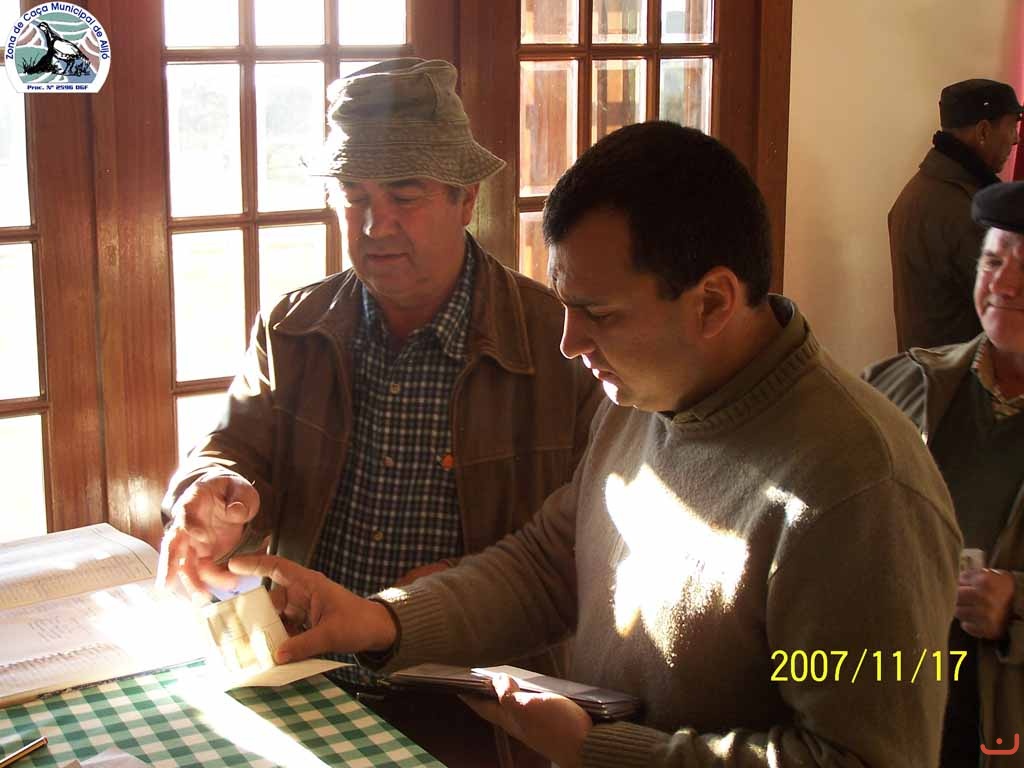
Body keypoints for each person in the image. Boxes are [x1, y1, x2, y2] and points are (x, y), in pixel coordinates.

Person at [229, 122, 962, 767]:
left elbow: (859, 759)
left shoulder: (862, 490)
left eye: (598, 314)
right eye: (564, 303)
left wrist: (594, 750)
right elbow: (551, 562)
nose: (569, 342)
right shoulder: (649, 395)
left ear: (712, 301)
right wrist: (383, 618)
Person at [157, 58, 601, 768]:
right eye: (353, 195)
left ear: (465, 198)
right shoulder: (293, 327)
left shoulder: (563, 345)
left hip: (482, 700)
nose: (375, 224)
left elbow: (595, 545)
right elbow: (231, 448)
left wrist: (453, 589)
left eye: (405, 194)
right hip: (305, 675)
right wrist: (211, 491)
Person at [866, 181, 1024, 768]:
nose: (1004, 284)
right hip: (894, 701)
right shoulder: (900, 385)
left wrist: (1016, 604)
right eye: (993, 261)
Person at [889, 78, 1022, 352]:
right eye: (1012, 127)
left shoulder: (918, 190)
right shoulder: (970, 211)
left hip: (926, 369)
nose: (1016, 139)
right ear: (983, 131)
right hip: (962, 374)